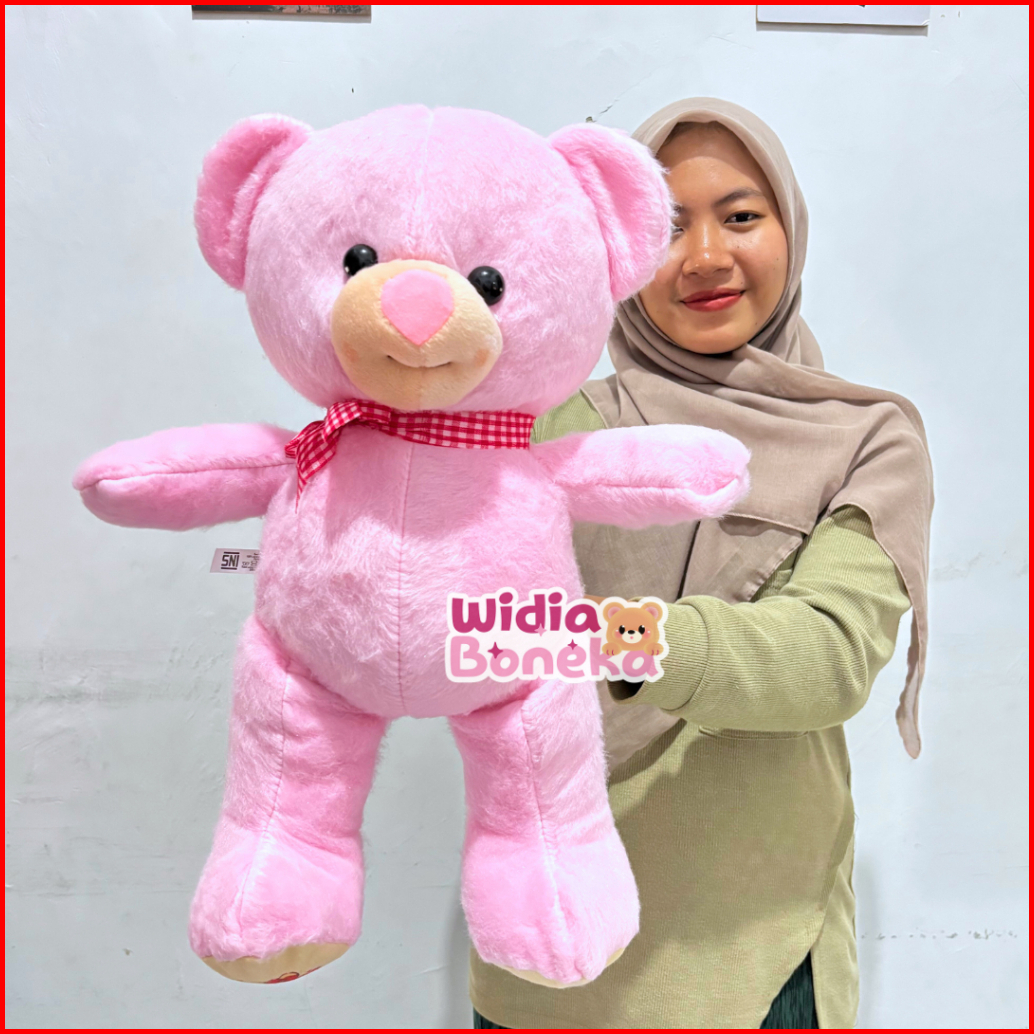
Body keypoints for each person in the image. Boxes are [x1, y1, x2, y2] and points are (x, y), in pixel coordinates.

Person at [468, 98, 933, 1029]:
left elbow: (831, 656)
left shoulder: (867, 439)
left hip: (757, 952)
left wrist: (622, 637)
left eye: (741, 215)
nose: (707, 256)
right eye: (669, 227)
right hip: (551, 932)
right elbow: (473, 634)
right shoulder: (552, 425)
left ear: (789, 228)